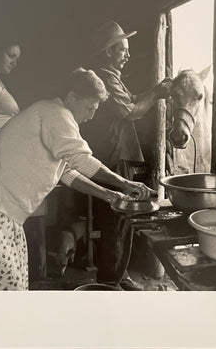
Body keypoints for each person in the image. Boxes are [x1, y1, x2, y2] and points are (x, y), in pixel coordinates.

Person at [0, 68, 154, 291]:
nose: (91, 115)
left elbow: (67, 172)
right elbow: (82, 160)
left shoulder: (55, 117)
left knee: (4, 283)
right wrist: (126, 184)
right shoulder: (55, 113)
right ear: (71, 97)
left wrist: (110, 195)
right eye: (89, 107)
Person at [80, 20, 172, 291]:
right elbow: (128, 111)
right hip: (113, 157)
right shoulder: (104, 76)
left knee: (122, 220)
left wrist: (154, 91)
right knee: (116, 218)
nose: (128, 55)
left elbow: (131, 98)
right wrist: (157, 93)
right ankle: (110, 281)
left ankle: (118, 275)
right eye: (123, 50)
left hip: (119, 154)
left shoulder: (111, 74)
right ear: (109, 52)